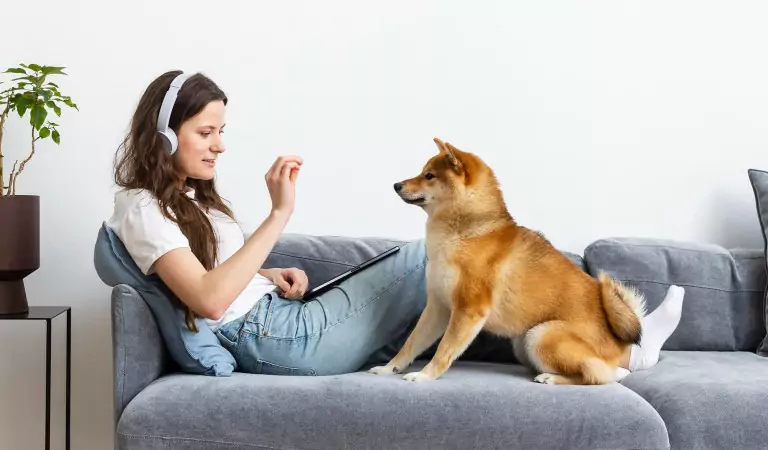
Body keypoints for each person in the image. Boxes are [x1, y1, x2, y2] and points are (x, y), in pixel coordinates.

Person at [106, 70, 685, 379]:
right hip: (272, 339)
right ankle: (629, 355)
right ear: (164, 136)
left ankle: (603, 347)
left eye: (222, 132)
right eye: (206, 133)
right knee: (433, 262)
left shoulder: (191, 201)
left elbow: (216, 277)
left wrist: (270, 274)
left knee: (458, 278)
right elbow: (209, 300)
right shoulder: (141, 208)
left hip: (276, 316)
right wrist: (280, 214)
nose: (220, 146)